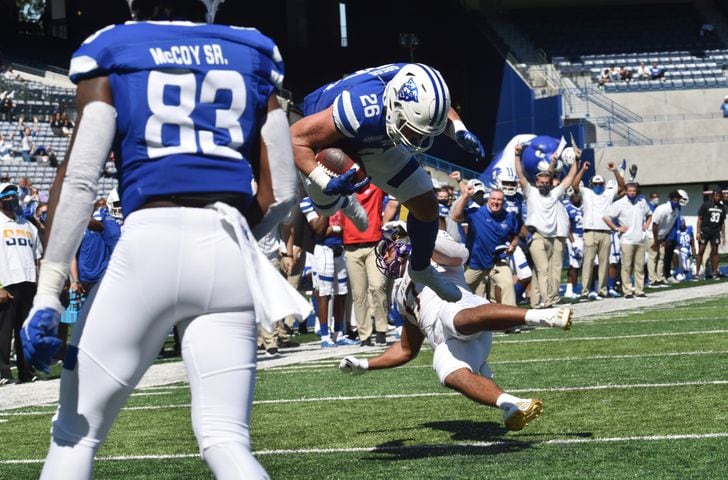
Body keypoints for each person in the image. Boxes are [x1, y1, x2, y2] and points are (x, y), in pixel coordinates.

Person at [19, 1, 310, 478]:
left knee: (74, 435)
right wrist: (236, 238)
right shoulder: (253, 51)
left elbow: (79, 180)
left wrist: (49, 291)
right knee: (227, 439)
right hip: (226, 249)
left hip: (148, 242)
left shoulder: (112, 46)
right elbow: (281, 191)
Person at [341, 223, 573, 431]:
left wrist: (418, 240)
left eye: (389, 247)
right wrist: (365, 365)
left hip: (464, 310)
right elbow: (406, 349)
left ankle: (542, 316)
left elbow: (459, 255)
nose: (387, 254)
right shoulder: (400, 296)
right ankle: (512, 404)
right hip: (449, 340)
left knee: (453, 319)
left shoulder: (432, 250)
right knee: (448, 373)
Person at [290, 62, 486, 303]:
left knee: (427, 205)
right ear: (394, 104)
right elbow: (295, 138)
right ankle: (343, 201)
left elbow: (440, 108)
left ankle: (421, 268)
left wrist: (458, 130)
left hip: (376, 136)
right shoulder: (359, 108)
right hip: (330, 140)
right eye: (412, 128)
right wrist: (324, 181)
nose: (417, 138)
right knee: (327, 206)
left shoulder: (421, 84)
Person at [514, 143, 578, 308]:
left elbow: (569, 178)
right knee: (543, 268)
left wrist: (576, 160)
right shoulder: (531, 191)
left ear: (551, 182)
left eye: (546, 182)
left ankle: (535, 303)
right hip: (536, 236)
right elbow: (520, 174)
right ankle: (547, 301)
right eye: (540, 182)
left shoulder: (555, 193)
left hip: (551, 237)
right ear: (536, 181)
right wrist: (517, 155)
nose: (543, 184)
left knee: (538, 271)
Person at [0, 184, 43, 385]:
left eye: (13, 195)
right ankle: (2, 373)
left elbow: (37, 257)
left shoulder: (28, 225)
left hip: (28, 282)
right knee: (3, 330)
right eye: (6, 195)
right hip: (7, 283)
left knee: (25, 330)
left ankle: (27, 371)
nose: (11, 198)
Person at [451, 186, 520, 305]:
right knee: (462, 293)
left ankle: (510, 318)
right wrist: (465, 197)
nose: (496, 202)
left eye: (499, 200)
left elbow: (515, 236)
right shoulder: (476, 213)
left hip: (498, 260)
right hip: (476, 262)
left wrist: (512, 246)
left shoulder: (509, 217)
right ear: (488, 199)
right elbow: (455, 216)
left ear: (503, 202)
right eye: (493, 199)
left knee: (507, 283)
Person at [573, 162, 625, 300]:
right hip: (590, 231)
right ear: (591, 185)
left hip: (606, 231)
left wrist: (615, 171)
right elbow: (574, 185)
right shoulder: (586, 193)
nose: (598, 186)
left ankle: (602, 290)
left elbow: (621, 186)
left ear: (603, 184)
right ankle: (584, 291)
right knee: (588, 263)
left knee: (604, 263)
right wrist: (582, 170)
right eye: (595, 184)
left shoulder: (608, 193)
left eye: (600, 184)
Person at [603, 183, 651, 298]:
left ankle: (639, 290)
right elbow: (606, 217)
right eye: (630, 191)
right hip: (626, 240)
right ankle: (627, 291)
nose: (632, 193)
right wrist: (616, 228)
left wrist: (646, 225)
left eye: (634, 191)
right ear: (626, 191)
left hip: (639, 239)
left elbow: (649, 214)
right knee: (626, 266)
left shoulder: (641, 202)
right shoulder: (619, 203)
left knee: (639, 266)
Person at [651, 191, 686, 285]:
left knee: (662, 257)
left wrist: (664, 238)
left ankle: (660, 278)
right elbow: (654, 225)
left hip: (662, 237)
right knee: (653, 257)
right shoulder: (663, 209)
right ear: (670, 200)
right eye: (674, 200)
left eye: (677, 200)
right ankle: (652, 280)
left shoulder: (676, 211)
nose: (676, 201)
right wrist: (655, 240)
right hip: (652, 235)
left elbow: (669, 226)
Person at [695, 188, 726, 280]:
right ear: (713, 196)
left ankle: (715, 272)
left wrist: (724, 236)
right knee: (701, 251)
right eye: (716, 195)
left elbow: (722, 223)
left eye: (719, 196)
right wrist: (697, 231)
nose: (718, 197)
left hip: (715, 231)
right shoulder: (706, 205)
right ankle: (697, 272)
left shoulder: (722, 208)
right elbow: (700, 218)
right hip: (705, 230)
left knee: (715, 252)